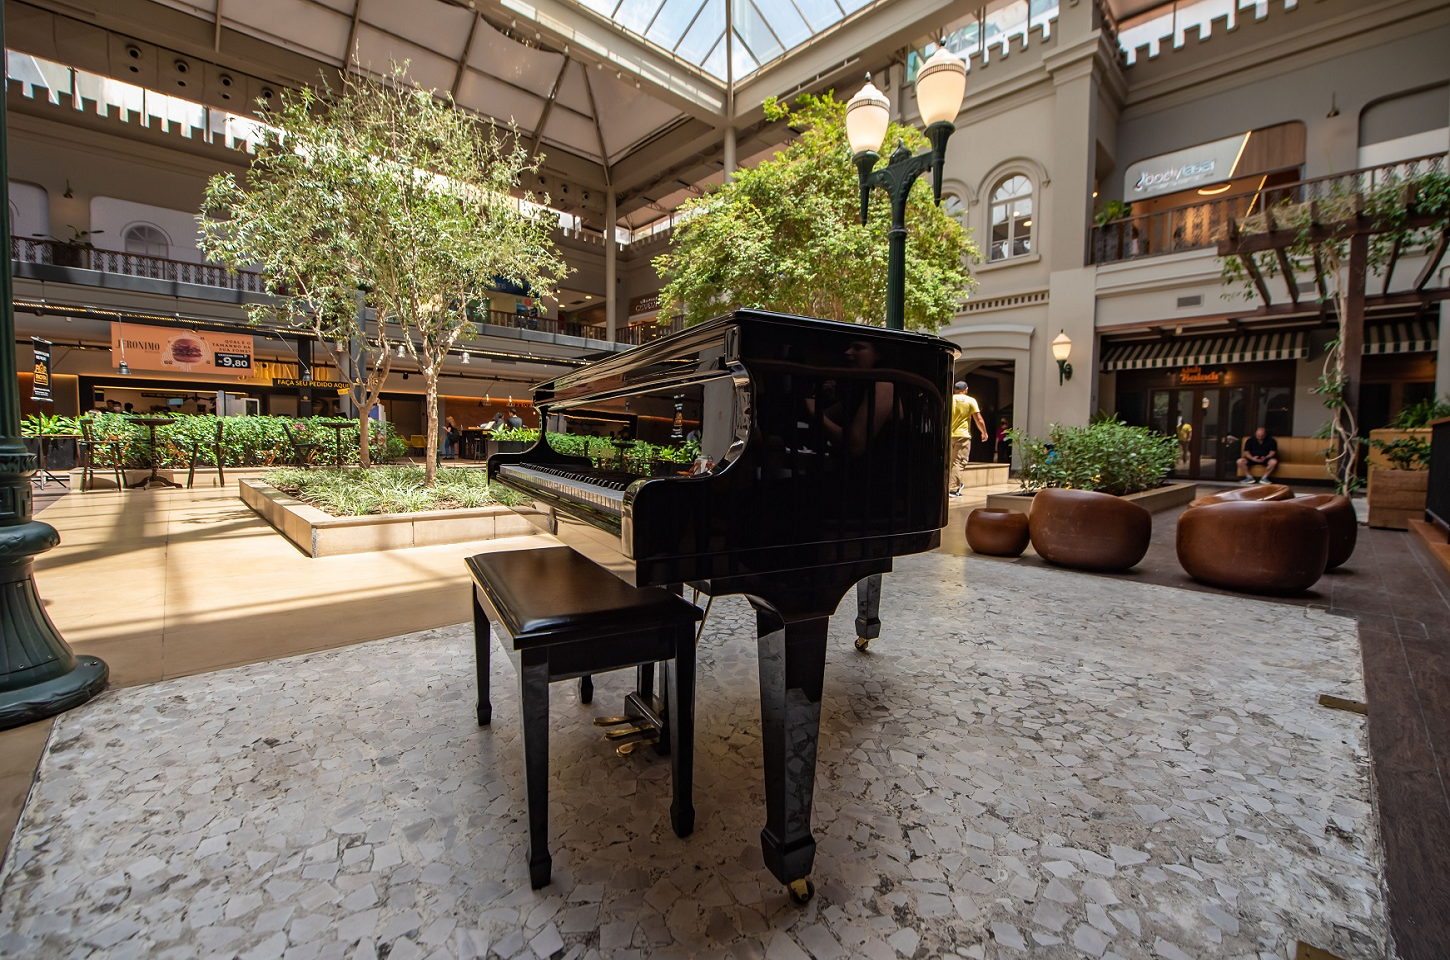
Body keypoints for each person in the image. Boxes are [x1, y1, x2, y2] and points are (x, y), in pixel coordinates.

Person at [948, 381, 987, 498]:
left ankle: (951, 484)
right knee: (959, 462)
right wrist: (984, 432)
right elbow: (978, 419)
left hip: (949, 435)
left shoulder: (950, 399)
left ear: (955, 389)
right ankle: (953, 489)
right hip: (963, 435)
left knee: (950, 462)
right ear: (966, 389)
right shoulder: (971, 400)